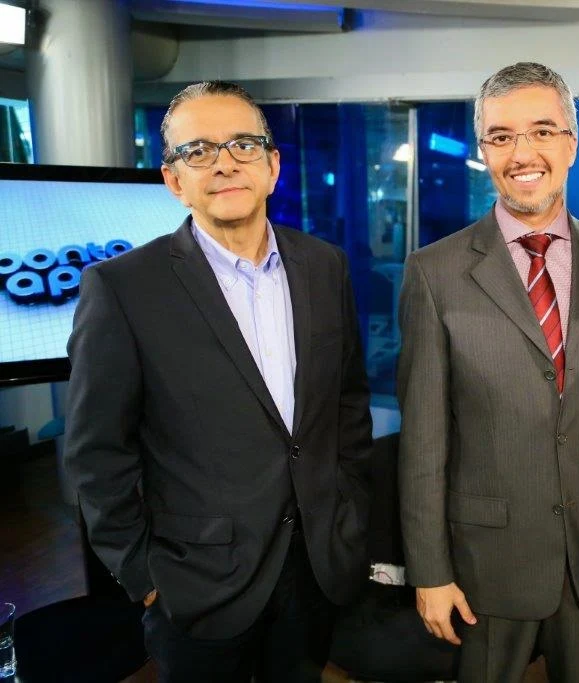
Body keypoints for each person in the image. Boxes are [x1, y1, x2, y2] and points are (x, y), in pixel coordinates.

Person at [64, 81, 373, 683]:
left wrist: (349, 517)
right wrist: (142, 574)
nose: (225, 163)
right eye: (198, 150)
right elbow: (97, 452)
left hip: (316, 565)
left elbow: (347, 405)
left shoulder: (324, 265)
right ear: (173, 180)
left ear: (273, 166)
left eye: (243, 145)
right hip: (196, 582)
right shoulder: (123, 288)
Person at [397, 62, 579, 682]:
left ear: (572, 144)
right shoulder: (435, 271)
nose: (522, 153)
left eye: (541, 131)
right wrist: (430, 570)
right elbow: (423, 440)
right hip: (485, 560)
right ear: (483, 151)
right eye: (501, 136)